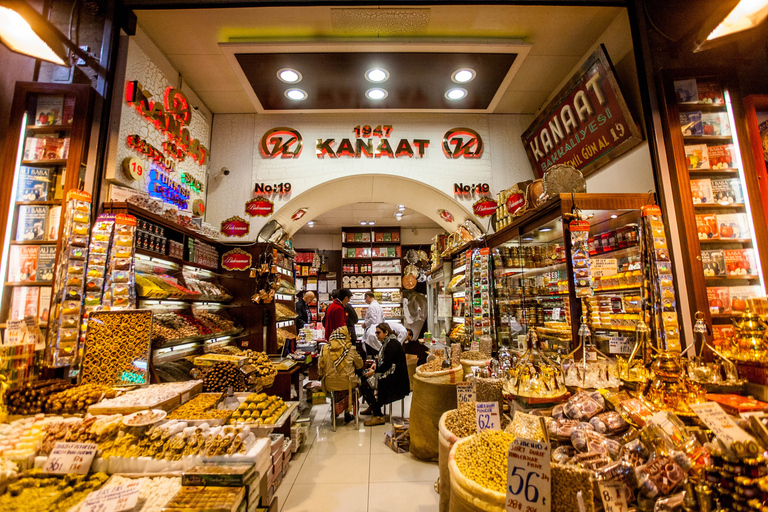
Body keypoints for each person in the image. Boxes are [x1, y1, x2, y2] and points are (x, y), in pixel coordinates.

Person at [360, 322, 411, 426]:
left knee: (364, 386)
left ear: (386, 332)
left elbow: (387, 364)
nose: (376, 335)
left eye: (378, 333)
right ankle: (373, 407)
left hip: (395, 379)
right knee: (364, 379)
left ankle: (378, 415)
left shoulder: (391, 344)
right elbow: (383, 360)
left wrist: (374, 372)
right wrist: (375, 365)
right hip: (392, 375)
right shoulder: (388, 343)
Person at [317, 326, 363, 423]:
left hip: (329, 384)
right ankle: (347, 412)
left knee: (335, 388)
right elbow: (360, 365)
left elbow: (320, 368)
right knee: (353, 387)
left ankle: (335, 410)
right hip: (348, 383)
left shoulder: (324, 348)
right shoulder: (351, 348)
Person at [363, 291, 384, 357]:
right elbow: (383, 318)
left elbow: (373, 319)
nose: (365, 301)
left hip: (372, 331)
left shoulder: (372, 306)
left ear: (368, 296)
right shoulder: (378, 305)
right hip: (378, 330)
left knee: (372, 353)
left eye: (365, 298)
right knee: (378, 352)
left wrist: (365, 324)